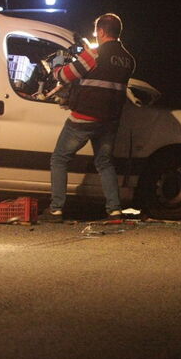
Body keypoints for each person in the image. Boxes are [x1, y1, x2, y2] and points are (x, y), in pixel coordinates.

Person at [44, 13, 135, 222]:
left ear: (101, 32)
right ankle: (114, 211)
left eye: (97, 31)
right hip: (110, 120)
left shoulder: (94, 55)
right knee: (104, 162)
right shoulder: (128, 60)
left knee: (59, 159)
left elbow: (64, 76)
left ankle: (56, 209)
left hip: (84, 118)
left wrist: (57, 64)